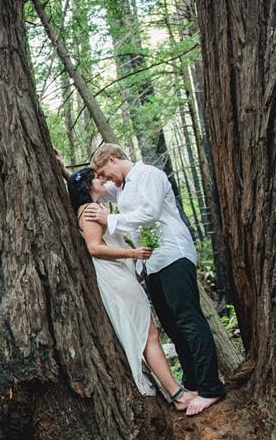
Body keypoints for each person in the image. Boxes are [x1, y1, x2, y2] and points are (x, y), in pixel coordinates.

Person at [82, 144, 226, 415]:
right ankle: (193, 383)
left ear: (113, 160)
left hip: (173, 254)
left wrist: (109, 218)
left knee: (188, 319)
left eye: (104, 172)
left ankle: (211, 388)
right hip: (153, 263)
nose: (104, 179)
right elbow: (93, 189)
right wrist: (61, 169)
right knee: (172, 325)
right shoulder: (122, 186)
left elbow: (150, 213)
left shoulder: (147, 175)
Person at [67, 165, 195, 410]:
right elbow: (94, 248)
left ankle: (174, 389)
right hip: (115, 277)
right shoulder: (88, 211)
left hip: (121, 273)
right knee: (148, 335)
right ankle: (177, 395)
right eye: (98, 178)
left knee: (149, 334)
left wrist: (64, 171)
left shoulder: (96, 207)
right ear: (87, 186)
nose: (103, 180)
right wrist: (132, 252)